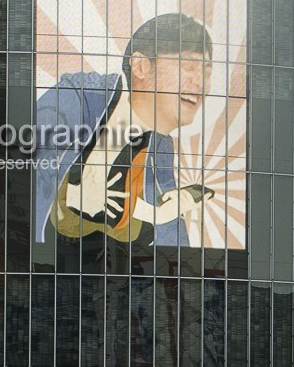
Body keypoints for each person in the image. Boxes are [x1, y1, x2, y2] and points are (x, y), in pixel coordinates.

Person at [34, 13, 216, 248]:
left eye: (207, 71)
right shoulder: (80, 97)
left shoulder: (160, 146)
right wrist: (70, 194)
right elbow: (21, 169)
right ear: (141, 66)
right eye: (189, 66)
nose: (201, 82)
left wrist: (185, 198)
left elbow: (168, 229)